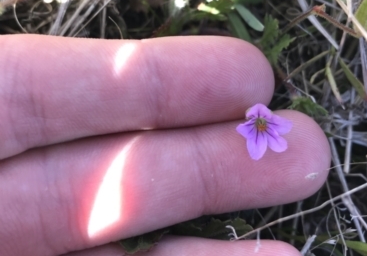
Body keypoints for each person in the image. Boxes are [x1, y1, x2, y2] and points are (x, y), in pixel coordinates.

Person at [0, 34, 331, 256]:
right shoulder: (254, 124)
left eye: (263, 123)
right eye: (258, 122)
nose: (261, 124)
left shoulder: (262, 125)